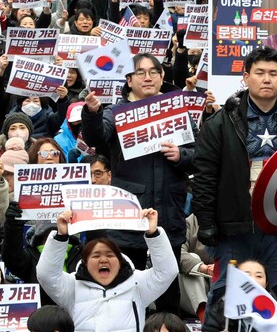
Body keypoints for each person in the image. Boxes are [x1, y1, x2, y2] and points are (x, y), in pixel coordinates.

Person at [79, 53, 195, 316]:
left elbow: (198, 155)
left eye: (153, 72)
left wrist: (182, 155)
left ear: (162, 76)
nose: (148, 77)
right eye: (140, 73)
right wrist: (92, 113)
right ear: (129, 80)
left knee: (168, 290)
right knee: (127, 289)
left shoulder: (176, 110)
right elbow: (97, 136)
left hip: (168, 212)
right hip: (129, 216)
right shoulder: (116, 112)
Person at [192, 46, 277, 319]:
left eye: (273, 73)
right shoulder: (220, 122)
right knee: (226, 297)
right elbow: (204, 176)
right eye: (260, 72)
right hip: (234, 225)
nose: (267, 79)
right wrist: (207, 223)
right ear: (246, 77)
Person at [36, 208, 178, 332]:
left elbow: (167, 271)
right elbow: (46, 275)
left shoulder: (137, 284)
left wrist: (154, 234)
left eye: (110, 255)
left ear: (120, 261)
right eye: (96, 256)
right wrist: (60, 236)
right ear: (85, 262)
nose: (103, 260)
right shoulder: (72, 286)